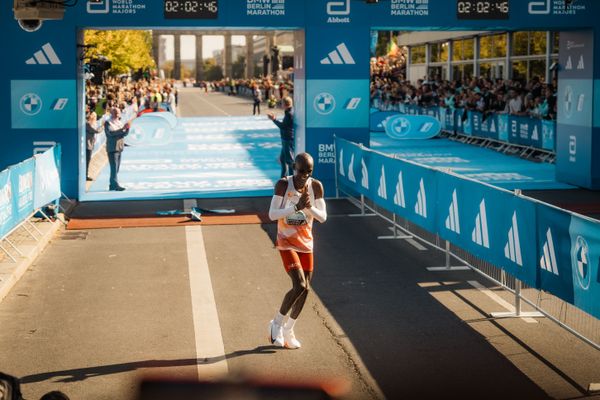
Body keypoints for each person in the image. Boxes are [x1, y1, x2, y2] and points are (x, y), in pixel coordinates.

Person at [267, 153, 327, 349]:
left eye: (309, 172)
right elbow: (272, 214)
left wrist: (307, 207)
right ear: (294, 167)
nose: (305, 176)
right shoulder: (283, 185)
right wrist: (295, 207)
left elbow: (323, 217)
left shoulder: (315, 186)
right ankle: (276, 324)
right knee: (299, 285)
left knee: (306, 289)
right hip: (286, 241)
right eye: (301, 171)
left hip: (306, 243)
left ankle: (289, 329)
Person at [103, 107, 130, 191]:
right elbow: (110, 134)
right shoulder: (108, 123)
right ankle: (115, 185)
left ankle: (112, 185)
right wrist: (122, 129)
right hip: (112, 147)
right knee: (114, 167)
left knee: (116, 168)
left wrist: (127, 128)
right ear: (112, 113)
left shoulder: (119, 122)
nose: (117, 114)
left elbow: (124, 134)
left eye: (118, 113)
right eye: (116, 113)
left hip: (119, 147)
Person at [268, 97, 294, 178]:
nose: (281, 104)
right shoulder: (289, 112)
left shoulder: (289, 114)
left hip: (287, 139)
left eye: (282, 103)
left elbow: (283, 126)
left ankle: (292, 180)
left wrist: (274, 119)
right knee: (283, 159)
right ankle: (283, 178)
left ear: (285, 104)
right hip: (286, 138)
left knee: (289, 161)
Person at [85, 111, 103, 181]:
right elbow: (96, 131)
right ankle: (85, 175)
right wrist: (102, 126)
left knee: (88, 160)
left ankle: (86, 174)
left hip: (90, 145)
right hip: (87, 145)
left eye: (95, 116)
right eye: (93, 116)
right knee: (87, 160)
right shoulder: (87, 124)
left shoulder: (91, 124)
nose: (94, 118)